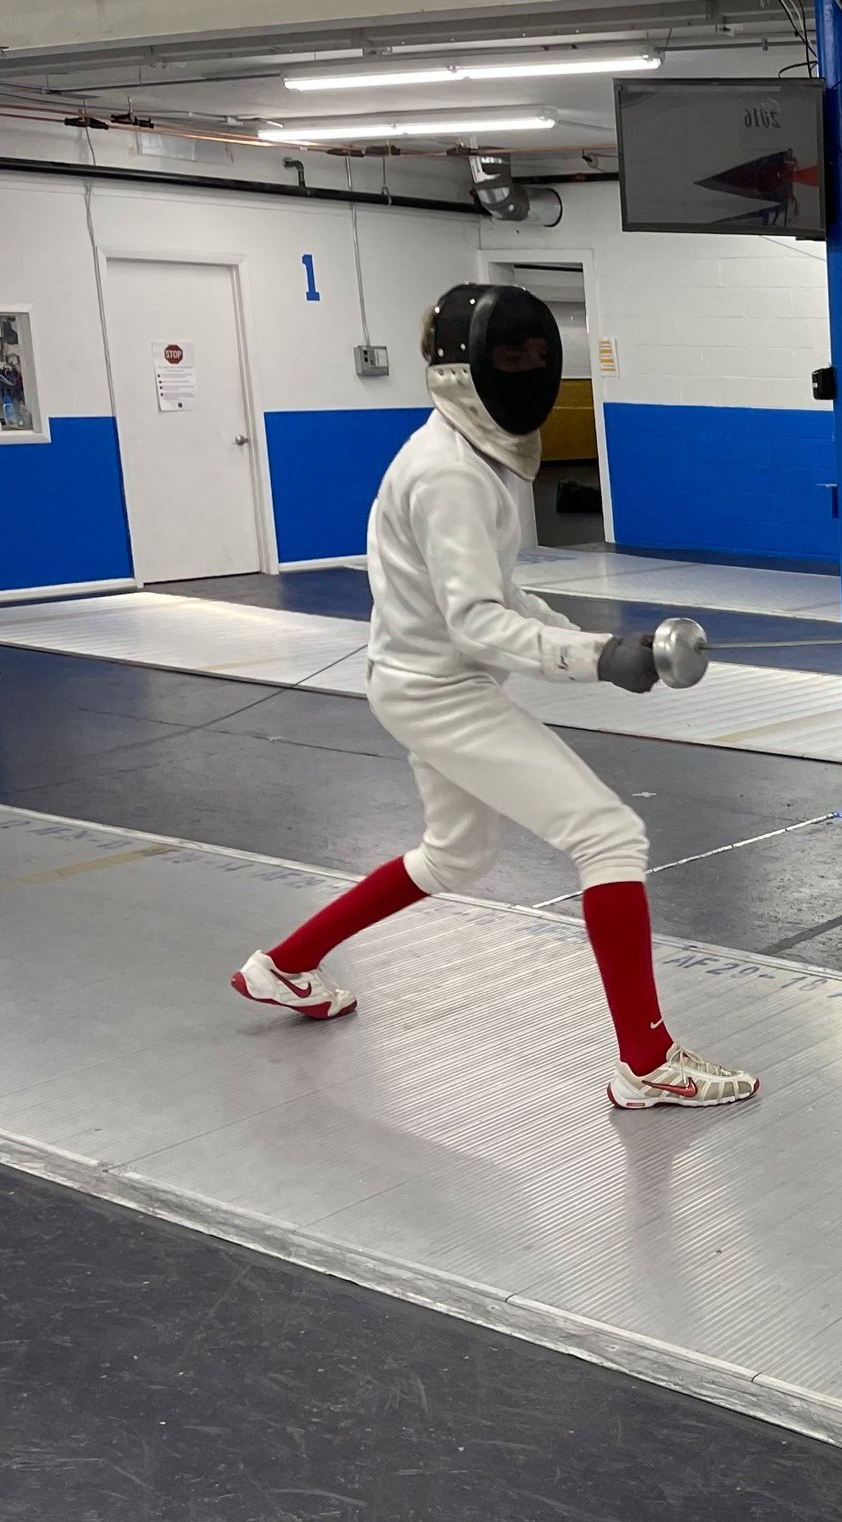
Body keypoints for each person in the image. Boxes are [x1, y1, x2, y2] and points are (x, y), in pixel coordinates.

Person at [232, 282, 757, 1112]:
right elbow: (475, 623)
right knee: (610, 836)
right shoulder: (449, 473)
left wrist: (599, 644)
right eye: (510, 355)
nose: (528, 369)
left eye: (538, 355)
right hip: (437, 692)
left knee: (455, 856)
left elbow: (497, 594)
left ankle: (284, 965)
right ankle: (646, 1063)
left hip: (422, 680)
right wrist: (595, 659)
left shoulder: (466, 456)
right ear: (463, 367)